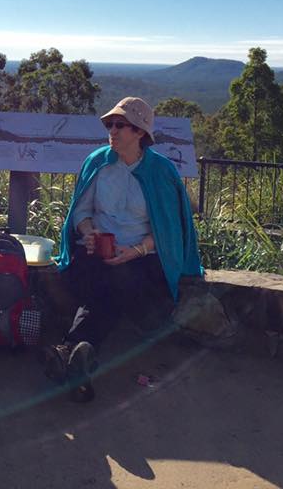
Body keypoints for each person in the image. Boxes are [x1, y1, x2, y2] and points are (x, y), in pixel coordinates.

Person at [45, 97, 203, 401]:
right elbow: (81, 212)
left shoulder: (160, 171)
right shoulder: (98, 163)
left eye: (120, 125)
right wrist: (89, 233)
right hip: (96, 254)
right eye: (110, 125)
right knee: (105, 278)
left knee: (114, 281)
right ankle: (78, 358)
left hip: (142, 259)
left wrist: (136, 250)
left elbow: (169, 229)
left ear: (140, 132)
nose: (112, 131)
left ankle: (71, 349)